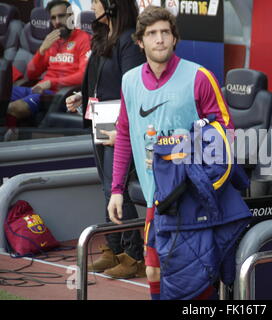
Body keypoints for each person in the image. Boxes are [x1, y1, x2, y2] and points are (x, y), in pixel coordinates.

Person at [107, 6, 243, 299]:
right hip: (158, 197)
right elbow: (124, 137)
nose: (159, 39)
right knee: (153, 270)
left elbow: (226, 134)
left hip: (193, 198)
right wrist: (117, 189)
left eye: (165, 33)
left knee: (199, 275)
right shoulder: (129, 81)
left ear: (174, 38)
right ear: (140, 41)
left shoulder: (200, 77)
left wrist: (191, 156)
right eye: (152, 34)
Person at [66, 0, 147, 279]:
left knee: (119, 190)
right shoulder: (102, 36)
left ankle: (133, 254)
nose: (91, 5)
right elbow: (100, 80)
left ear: (113, 5)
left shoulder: (128, 40)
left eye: (96, 1)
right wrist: (81, 95)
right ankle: (112, 249)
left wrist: (122, 131)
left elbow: (132, 89)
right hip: (99, 121)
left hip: (119, 129)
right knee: (107, 189)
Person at [6, 0, 91, 128]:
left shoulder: (83, 39)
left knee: (15, 108)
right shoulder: (52, 40)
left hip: (59, 95)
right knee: (3, 93)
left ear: (71, 16)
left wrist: (52, 83)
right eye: (53, 18)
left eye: (61, 16)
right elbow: (31, 73)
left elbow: (83, 75)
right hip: (39, 90)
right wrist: (41, 50)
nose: (57, 21)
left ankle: (9, 139)